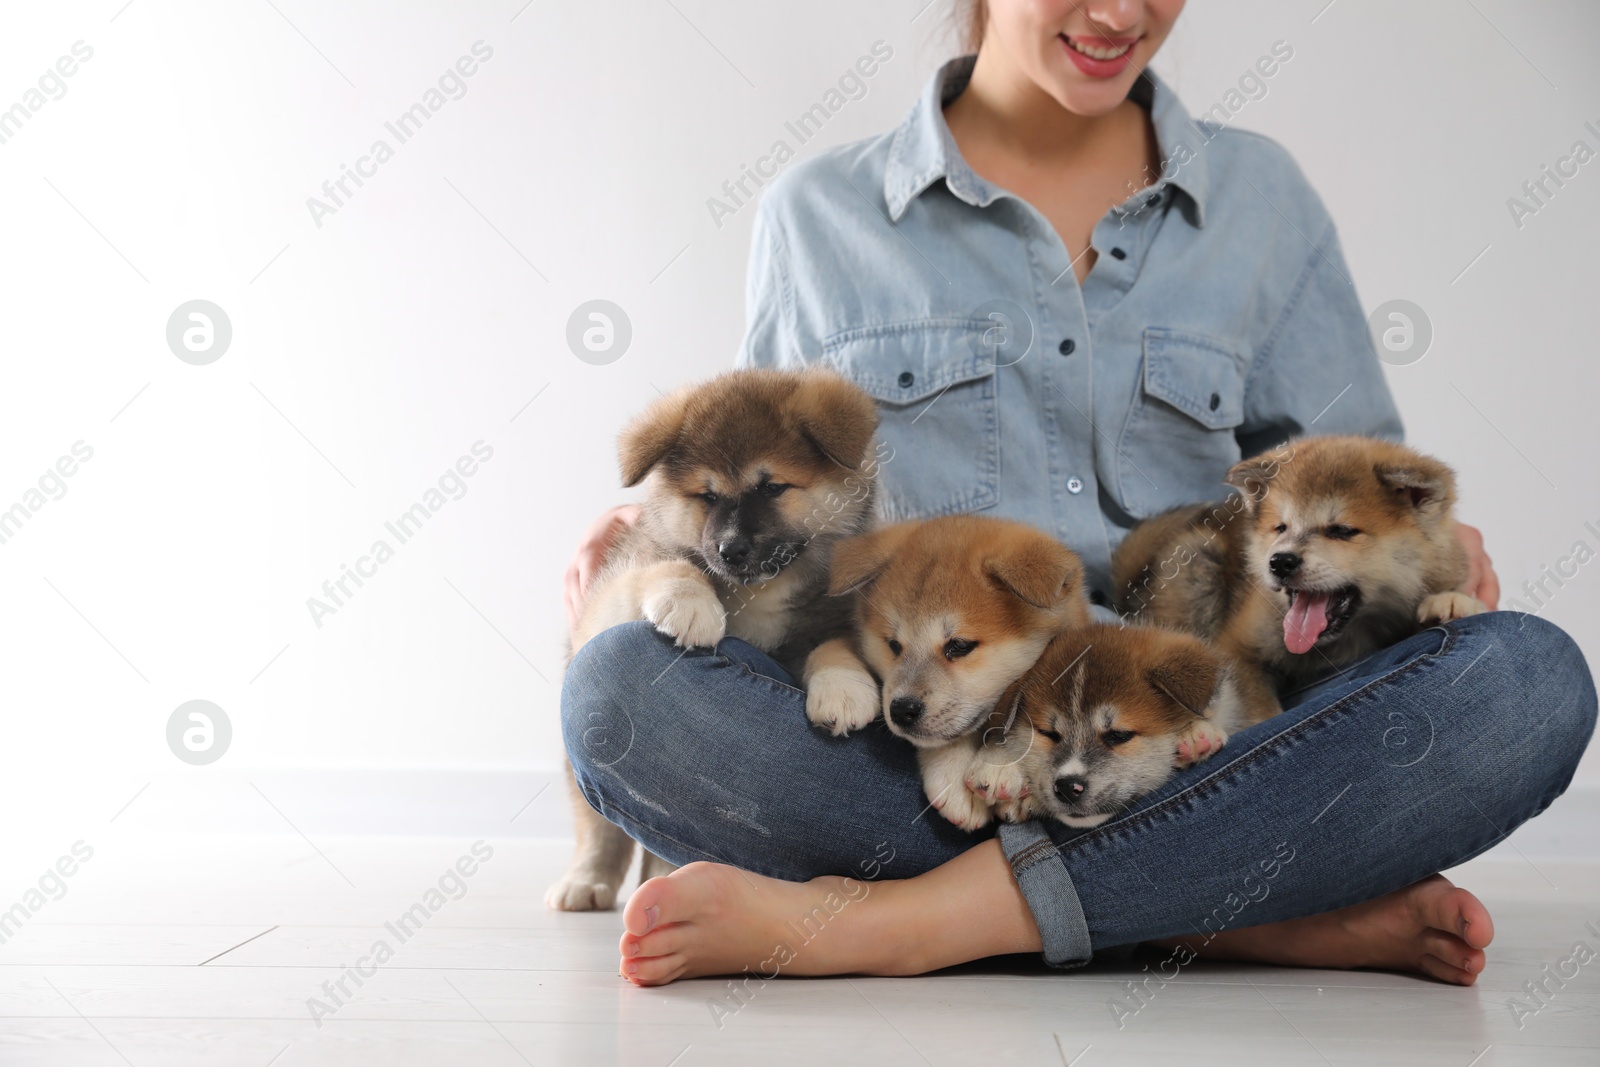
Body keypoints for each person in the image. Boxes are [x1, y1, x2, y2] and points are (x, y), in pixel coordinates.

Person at [561, 0, 1595, 987]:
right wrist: (669, 542)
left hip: (1198, 738)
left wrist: (1423, 547)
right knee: (619, 692)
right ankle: (1236, 911)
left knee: (1525, 681)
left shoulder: (1258, 200)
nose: (1117, 17)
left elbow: (1341, 492)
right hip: (928, 752)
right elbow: (778, 514)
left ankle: (905, 924)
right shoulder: (821, 214)